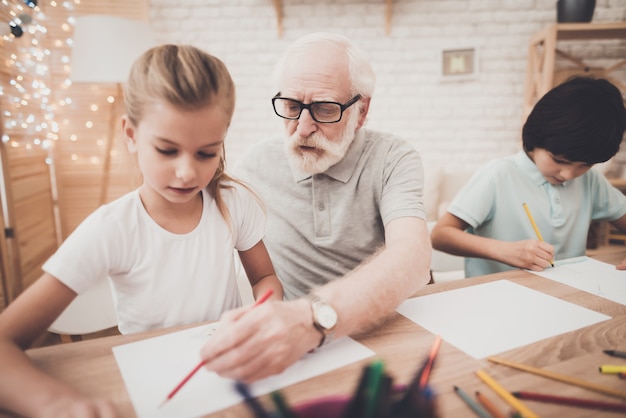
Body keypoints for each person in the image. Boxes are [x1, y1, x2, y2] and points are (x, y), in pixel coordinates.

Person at [0, 44, 282, 417]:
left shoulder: (232, 202)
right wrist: (55, 404)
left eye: (206, 153)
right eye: (167, 150)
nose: (187, 172)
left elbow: (265, 277)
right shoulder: (112, 228)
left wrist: (266, 312)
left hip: (231, 382)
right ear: (130, 135)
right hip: (153, 393)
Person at [199, 32, 432, 382]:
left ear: (362, 109)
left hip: (390, 330)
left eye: (324, 109)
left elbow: (413, 256)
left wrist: (312, 317)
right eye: (292, 107)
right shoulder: (257, 165)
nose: (304, 128)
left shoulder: (392, 157)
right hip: (304, 352)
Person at [431, 76, 626, 278]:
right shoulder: (499, 175)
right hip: (497, 298)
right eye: (558, 160)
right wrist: (505, 251)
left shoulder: (590, 181)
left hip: (563, 296)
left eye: (585, 165)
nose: (568, 174)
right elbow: (440, 235)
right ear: (535, 137)